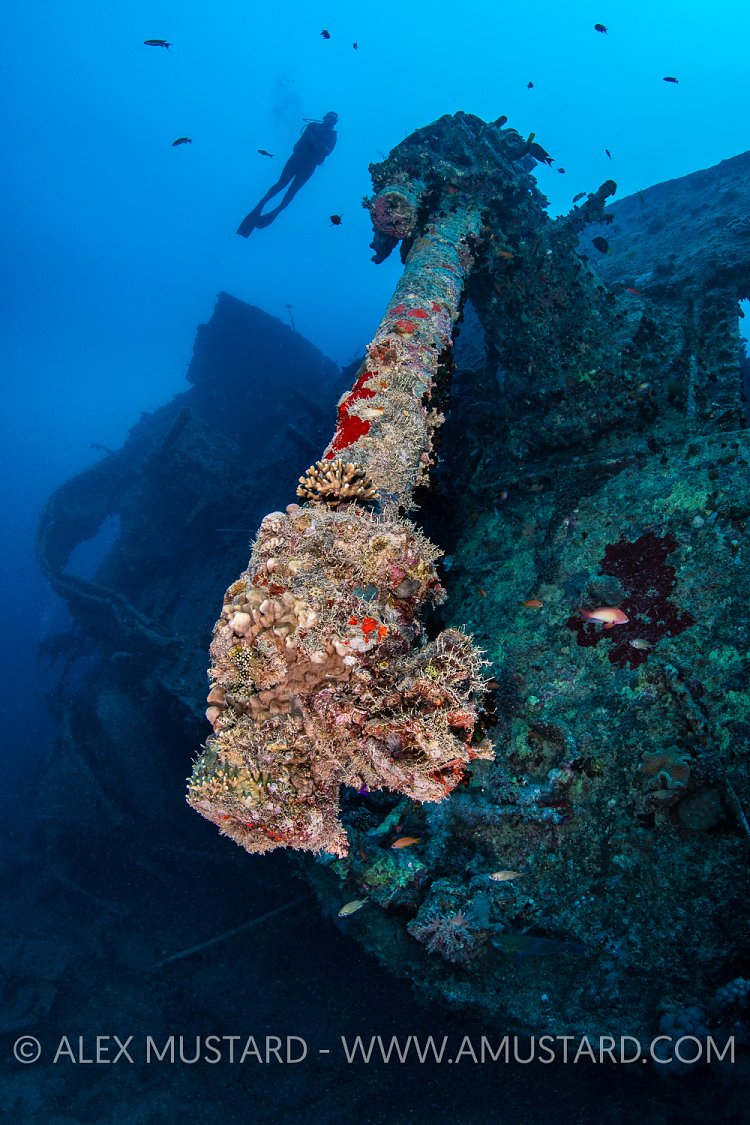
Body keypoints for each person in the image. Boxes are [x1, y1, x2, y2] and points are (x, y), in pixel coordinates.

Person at [237, 112, 338, 237]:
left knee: (291, 192)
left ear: (334, 124)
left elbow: (327, 151)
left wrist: (316, 143)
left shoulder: (332, 136)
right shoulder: (313, 126)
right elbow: (312, 141)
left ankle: (269, 215)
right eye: (328, 120)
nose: (329, 123)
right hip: (297, 159)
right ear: (324, 119)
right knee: (280, 185)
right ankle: (259, 209)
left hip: (308, 165)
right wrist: (319, 145)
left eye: (332, 122)